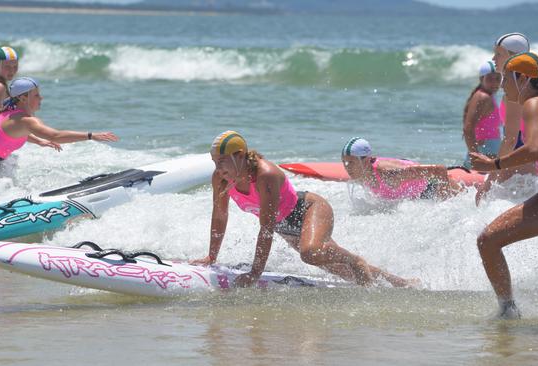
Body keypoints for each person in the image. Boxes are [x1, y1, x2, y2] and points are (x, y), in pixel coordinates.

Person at [192, 131, 416, 288]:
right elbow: (220, 215)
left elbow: (267, 228)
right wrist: (212, 256)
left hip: (309, 210)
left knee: (310, 253)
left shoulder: (265, 175)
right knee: (339, 270)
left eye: (222, 161)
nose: (218, 168)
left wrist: (255, 273)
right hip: (285, 226)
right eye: (214, 162)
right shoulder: (220, 179)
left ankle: (355, 259)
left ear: (239, 156)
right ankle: (400, 283)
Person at [470, 52, 538, 319]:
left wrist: (493, 165)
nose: (502, 85)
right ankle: (508, 311)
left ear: (523, 78)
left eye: (506, 79)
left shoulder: (536, 104)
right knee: (488, 241)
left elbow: (534, 150)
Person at [0, 77, 119, 179]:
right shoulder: (26, 120)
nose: (41, 98)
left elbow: (6, 135)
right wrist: (91, 135)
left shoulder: (11, 114)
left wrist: (39, 141)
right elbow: (56, 135)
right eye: (36, 95)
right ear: (23, 98)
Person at [477, 33, 534, 203]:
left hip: (523, 166)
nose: (493, 58)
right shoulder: (533, 84)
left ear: (513, 56)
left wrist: (489, 183)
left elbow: (510, 140)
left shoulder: (515, 93)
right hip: (533, 165)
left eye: (499, 54)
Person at [341, 137, 463, 200]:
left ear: (366, 160)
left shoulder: (388, 173)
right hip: (417, 197)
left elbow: (439, 170)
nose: (347, 167)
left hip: (434, 187)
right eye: (344, 162)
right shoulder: (361, 174)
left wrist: (442, 205)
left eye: (351, 162)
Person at [462, 61, 502, 168]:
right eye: (490, 78)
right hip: (485, 153)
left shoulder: (489, 96)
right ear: (481, 79)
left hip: (488, 152)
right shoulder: (483, 97)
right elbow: (468, 129)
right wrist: (475, 157)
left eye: (497, 78)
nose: (494, 83)